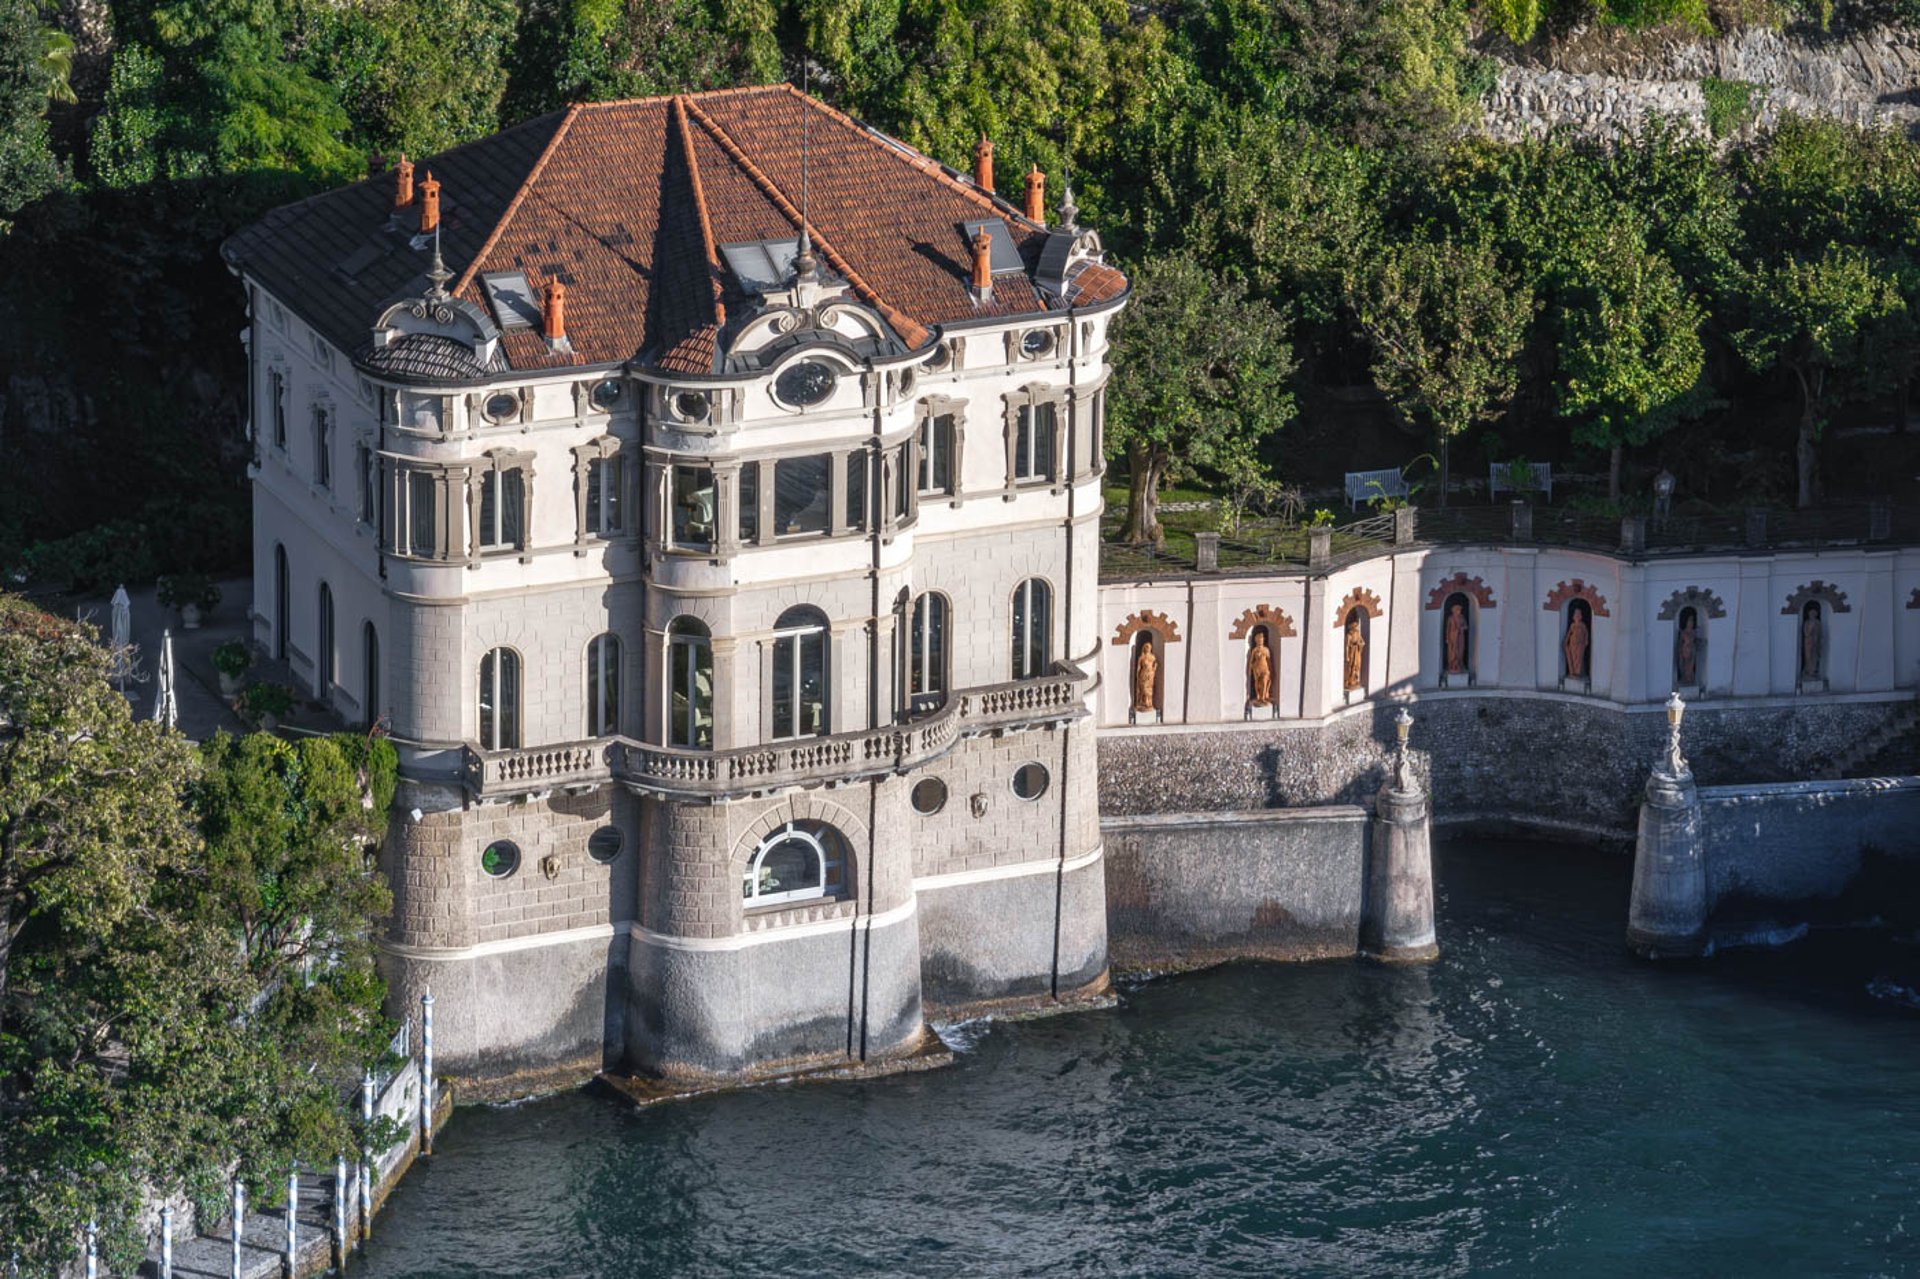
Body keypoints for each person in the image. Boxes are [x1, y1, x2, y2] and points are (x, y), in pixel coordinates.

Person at [1247, 630, 1273, 707]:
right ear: (1256, 641)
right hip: (1257, 668)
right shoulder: (1254, 650)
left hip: (1265, 668)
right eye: (1258, 640)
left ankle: (1263, 697)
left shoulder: (1266, 649)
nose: (1260, 641)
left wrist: (1271, 670)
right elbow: (1251, 660)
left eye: (1261, 640)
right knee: (1257, 682)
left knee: (1264, 681)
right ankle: (1258, 695)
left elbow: (1269, 660)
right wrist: (1250, 669)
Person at [1564, 606, 1590, 681]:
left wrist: (1586, 640)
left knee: (1579, 658)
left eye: (1578, 615)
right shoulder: (1572, 625)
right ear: (1574, 617)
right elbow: (1569, 633)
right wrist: (1566, 640)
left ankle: (1577, 672)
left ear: (1581, 616)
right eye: (1576, 615)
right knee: (1573, 657)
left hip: (1580, 644)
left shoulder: (1582, 625)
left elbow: (1586, 633)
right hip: (1573, 643)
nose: (1577, 617)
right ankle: (1572, 671)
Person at [1444, 602, 1468, 675]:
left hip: (1460, 637)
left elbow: (1466, 626)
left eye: (1460, 610)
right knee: (1452, 651)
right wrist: (1447, 638)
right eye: (1458, 610)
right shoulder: (1450, 618)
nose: (1459, 611)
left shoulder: (1462, 617)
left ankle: (1459, 664)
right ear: (1454, 610)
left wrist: (1461, 628)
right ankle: (1452, 665)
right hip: (1452, 637)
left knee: (1460, 650)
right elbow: (1448, 629)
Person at [1133, 640, 1158, 713]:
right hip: (1143, 674)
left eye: (1149, 647)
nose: (1148, 648)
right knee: (1143, 688)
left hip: (1150, 675)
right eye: (1146, 647)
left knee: (1150, 688)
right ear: (1144, 648)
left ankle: (1149, 702)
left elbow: (1154, 665)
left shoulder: (1153, 657)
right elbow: (1138, 667)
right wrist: (1137, 675)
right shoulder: (1141, 657)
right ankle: (1143, 702)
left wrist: (1154, 668)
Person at [1343, 613, 1365, 691]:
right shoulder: (1348, 635)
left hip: (1357, 652)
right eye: (1354, 626)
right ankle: (1349, 680)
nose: (1356, 627)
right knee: (1351, 667)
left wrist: (1360, 644)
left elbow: (1362, 642)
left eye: (1356, 626)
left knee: (1357, 666)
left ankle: (1355, 680)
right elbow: (1346, 646)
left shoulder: (1358, 633)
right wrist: (1347, 656)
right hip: (1351, 653)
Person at [1677, 611, 1698, 687]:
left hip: (1692, 650)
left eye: (1692, 621)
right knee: (1685, 665)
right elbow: (1680, 643)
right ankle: (1685, 678)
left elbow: (1697, 641)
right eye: (1689, 621)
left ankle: (1690, 679)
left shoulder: (1694, 632)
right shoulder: (1683, 632)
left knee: (1691, 666)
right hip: (1685, 650)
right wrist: (1680, 651)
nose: (1691, 623)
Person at [1801, 603, 1822, 681]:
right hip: (1808, 642)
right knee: (1808, 656)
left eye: (1814, 613)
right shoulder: (1807, 622)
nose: (1812, 615)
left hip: (1816, 642)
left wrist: (1818, 641)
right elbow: (1806, 633)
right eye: (1811, 613)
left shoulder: (1818, 622)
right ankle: (1808, 670)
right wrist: (1811, 627)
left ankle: (1813, 671)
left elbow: (1820, 633)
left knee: (1815, 656)